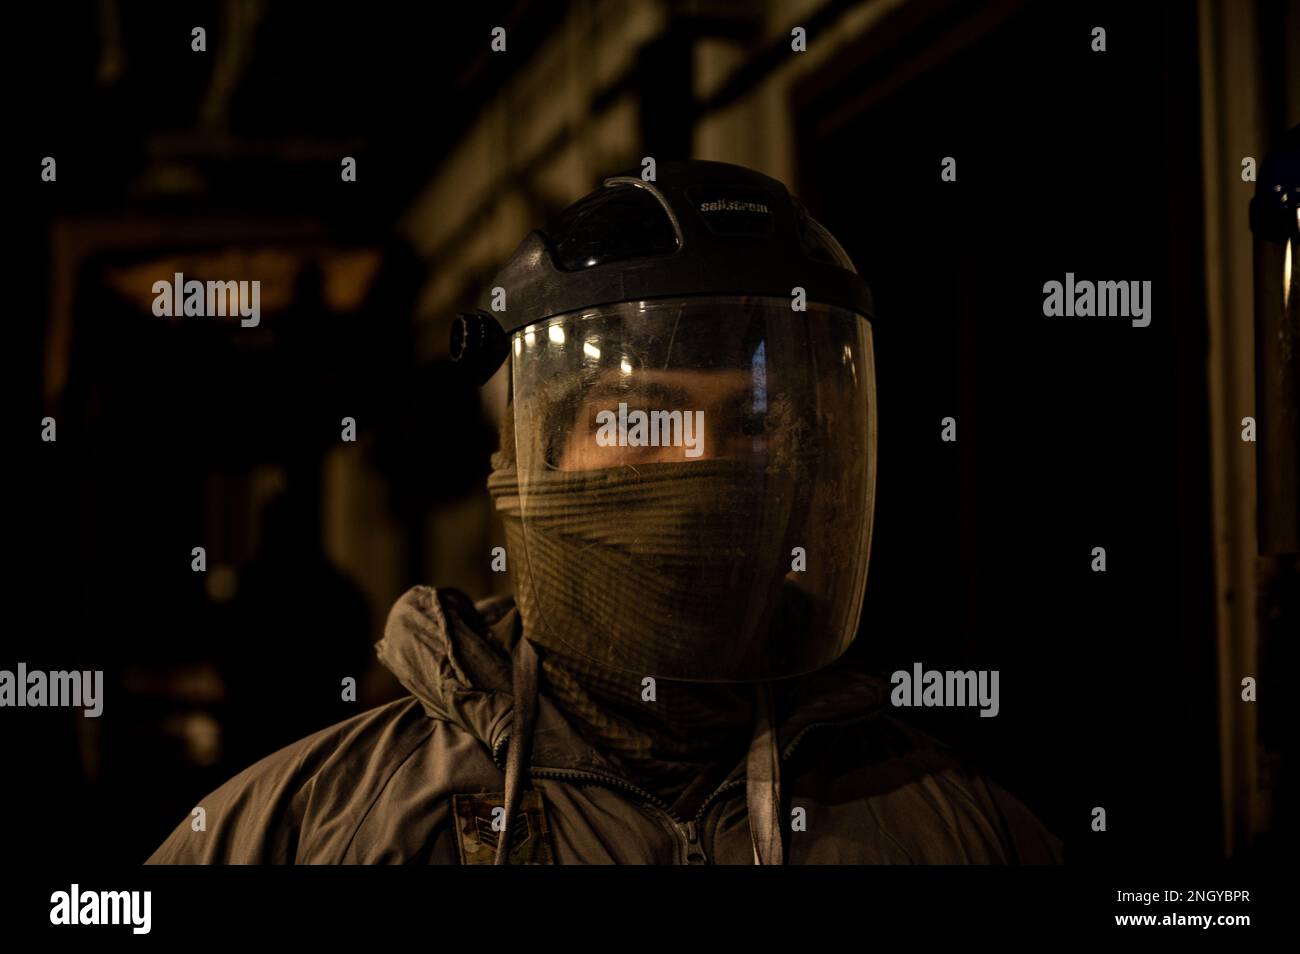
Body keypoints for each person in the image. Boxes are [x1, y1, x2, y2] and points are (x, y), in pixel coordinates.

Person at [147, 160, 1062, 864]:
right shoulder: (323, 825)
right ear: (528, 461)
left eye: (749, 426)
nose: (701, 465)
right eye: (643, 419)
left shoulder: (962, 828)